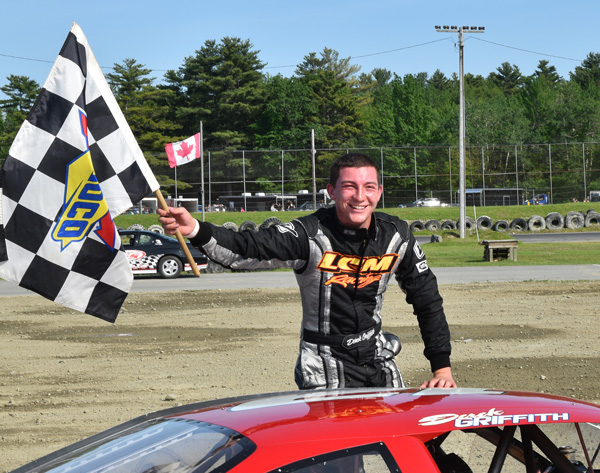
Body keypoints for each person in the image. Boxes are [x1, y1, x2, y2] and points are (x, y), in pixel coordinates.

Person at [158, 153, 456, 390]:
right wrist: (195, 229)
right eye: (349, 187)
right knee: (342, 449)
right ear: (331, 191)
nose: (359, 197)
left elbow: (427, 299)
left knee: (403, 437)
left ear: (379, 192)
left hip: (376, 358)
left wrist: (441, 368)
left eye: (368, 187)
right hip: (323, 366)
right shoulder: (309, 234)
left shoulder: (397, 235)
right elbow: (247, 248)